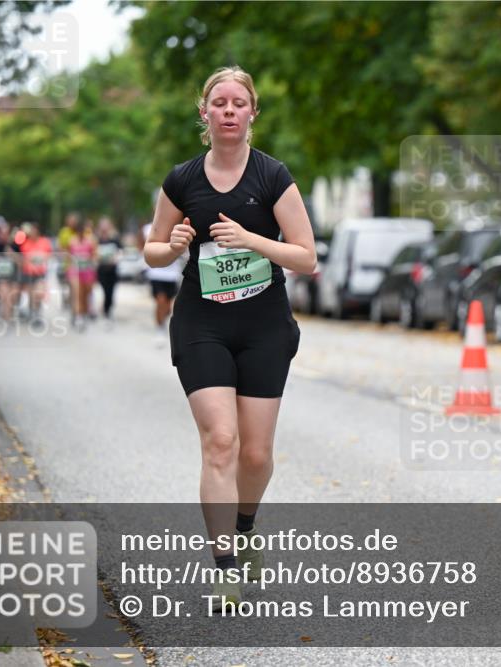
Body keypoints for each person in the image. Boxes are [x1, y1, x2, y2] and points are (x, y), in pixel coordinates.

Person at [143, 66, 316, 610]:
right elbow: (151, 249)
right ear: (204, 113)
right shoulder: (183, 180)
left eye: (239, 103)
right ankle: (225, 569)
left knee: (257, 454)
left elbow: (306, 257)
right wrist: (171, 246)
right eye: (219, 102)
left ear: (252, 113)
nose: (229, 110)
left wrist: (250, 238)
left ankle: (244, 527)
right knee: (221, 441)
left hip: (264, 324)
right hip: (203, 323)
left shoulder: (272, 177)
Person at [142, 217, 183, 346]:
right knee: (160, 301)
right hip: (156, 273)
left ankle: (162, 321)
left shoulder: (178, 227)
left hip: (172, 275)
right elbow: (144, 246)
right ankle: (159, 329)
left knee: (168, 306)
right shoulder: (148, 228)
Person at [19, 223, 53, 322]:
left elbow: (48, 255)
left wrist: (41, 259)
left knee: (38, 294)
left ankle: (37, 314)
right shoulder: (25, 243)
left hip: (40, 273)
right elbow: (24, 258)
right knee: (31, 295)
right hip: (28, 273)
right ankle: (32, 313)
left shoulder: (45, 242)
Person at [67, 220, 98, 332]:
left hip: (87, 271)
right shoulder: (72, 241)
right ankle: (78, 316)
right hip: (75, 271)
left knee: (85, 294)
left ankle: (84, 313)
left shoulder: (90, 241)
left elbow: (94, 254)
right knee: (77, 293)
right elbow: (69, 255)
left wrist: (90, 260)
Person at [96, 217, 122, 325]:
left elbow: (120, 251)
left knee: (111, 292)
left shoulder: (114, 239)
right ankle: (106, 310)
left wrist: (115, 259)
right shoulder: (97, 239)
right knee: (105, 291)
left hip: (112, 271)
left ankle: (108, 310)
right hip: (102, 270)